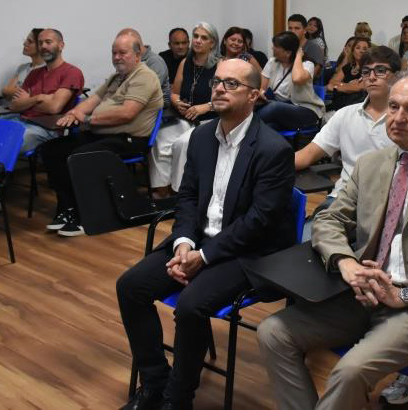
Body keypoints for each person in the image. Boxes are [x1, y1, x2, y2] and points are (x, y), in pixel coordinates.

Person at [257, 71, 408, 409]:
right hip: (361, 293)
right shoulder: (371, 164)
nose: (397, 118)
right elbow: (327, 218)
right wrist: (345, 262)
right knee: (273, 333)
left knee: (349, 371)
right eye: (393, 107)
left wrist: (405, 292)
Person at [117, 58, 295, 410]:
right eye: (217, 81)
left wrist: (204, 257)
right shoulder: (201, 136)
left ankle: (177, 399)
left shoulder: (274, 150)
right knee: (130, 287)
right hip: (198, 240)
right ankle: (154, 383)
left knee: (190, 306)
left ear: (255, 95)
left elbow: (259, 222)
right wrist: (184, 242)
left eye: (231, 84)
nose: (218, 88)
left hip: (247, 252)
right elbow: (187, 196)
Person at [39, 29, 163, 236]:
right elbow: (92, 100)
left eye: (122, 53)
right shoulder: (117, 77)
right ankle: (67, 208)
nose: (116, 57)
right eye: (114, 53)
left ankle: (84, 215)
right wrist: (75, 113)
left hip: (129, 139)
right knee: (51, 149)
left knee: (78, 156)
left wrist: (86, 119)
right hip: (103, 134)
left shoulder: (145, 77)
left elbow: (126, 114)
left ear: (138, 54)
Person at [0, 28, 84, 172]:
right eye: (40, 43)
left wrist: (27, 103)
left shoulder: (71, 72)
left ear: (61, 45)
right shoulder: (34, 73)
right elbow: (14, 106)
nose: (43, 46)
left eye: (48, 42)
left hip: (45, 129)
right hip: (19, 120)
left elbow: (54, 108)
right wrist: (38, 98)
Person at [295, 46, 399, 202]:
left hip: (387, 202)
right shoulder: (345, 115)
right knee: (313, 226)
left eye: (380, 70)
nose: (371, 77)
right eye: (366, 72)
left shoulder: (405, 119)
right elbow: (308, 154)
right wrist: (265, 166)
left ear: (396, 77)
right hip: (343, 198)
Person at [150, 22, 221, 196]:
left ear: (212, 43)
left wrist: (207, 106)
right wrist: (176, 101)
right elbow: (174, 92)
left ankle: (180, 194)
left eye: (203, 38)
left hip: (211, 120)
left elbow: (229, 98)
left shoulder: (221, 65)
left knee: (183, 144)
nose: (197, 40)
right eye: (195, 36)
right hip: (186, 118)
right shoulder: (185, 62)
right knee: (159, 140)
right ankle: (161, 191)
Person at [257, 32, 325, 130]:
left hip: (305, 110)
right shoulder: (272, 62)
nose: (272, 48)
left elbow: (297, 79)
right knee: (269, 126)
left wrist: (298, 56)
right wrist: (261, 93)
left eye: (276, 46)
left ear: (288, 52)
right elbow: (261, 87)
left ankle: (245, 126)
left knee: (274, 107)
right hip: (281, 110)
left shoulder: (307, 64)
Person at [0, 28, 45, 105]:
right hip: (11, 109)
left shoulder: (47, 69)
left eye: (30, 41)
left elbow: (36, 96)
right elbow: (5, 91)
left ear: (41, 46)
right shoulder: (22, 68)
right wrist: (24, 92)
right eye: (26, 40)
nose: (24, 43)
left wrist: (13, 91)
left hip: (29, 113)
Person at [326, 36, 370, 110]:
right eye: (358, 48)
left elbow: (359, 87)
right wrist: (348, 85)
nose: (361, 51)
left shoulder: (369, 68)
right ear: (353, 51)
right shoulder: (348, 67)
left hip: (355, 105)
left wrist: (336, 87)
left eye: (365, 49)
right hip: (339, 102)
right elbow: (331, 82)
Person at [131, 30, 171, 108]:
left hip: (157, 106)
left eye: (124, 51)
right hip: (136, 100)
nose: (119, 56)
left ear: (137, 47)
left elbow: (148, 92)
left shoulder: (155, 62)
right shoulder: (129, 60)